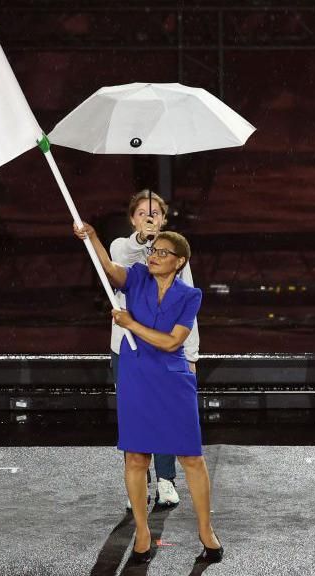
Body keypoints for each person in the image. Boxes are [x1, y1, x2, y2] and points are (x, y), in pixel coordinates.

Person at [74, 223, 223, 565]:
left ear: (180, 261)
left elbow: (172, 341)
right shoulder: (137, 276)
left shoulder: (190, 295)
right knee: (137, 458)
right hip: (136, 374)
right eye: (154, 250)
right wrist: (93, 237)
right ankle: (142, 533)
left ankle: (206, 531)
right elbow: (110, 271)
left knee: (191, 458)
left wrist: (131, 324)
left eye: (163, 253)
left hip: (172, 378)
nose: (154, 256)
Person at [110, 190, 200, 507]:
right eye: (142, 213)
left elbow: (188, 307)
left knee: (165, 416)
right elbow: (124, 265)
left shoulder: (175, 254)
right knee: (135, 417)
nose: (149, 218)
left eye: (155, 214)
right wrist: (141, 239)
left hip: (164, 350)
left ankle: (165, 479)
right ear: (133, 219)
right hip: (130, 350)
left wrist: (191, 355)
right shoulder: (122, 247)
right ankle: (139, 483)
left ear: (164, 219)